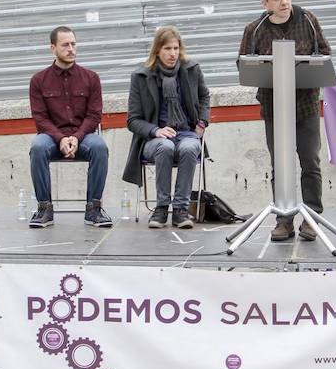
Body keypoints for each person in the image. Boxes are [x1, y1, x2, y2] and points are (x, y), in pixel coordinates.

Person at [238, 0, 330, 241]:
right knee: (280, 165)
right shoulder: (255, 29)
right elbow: (243, 63)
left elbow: (324, 53)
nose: (284, 2)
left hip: (305, 105)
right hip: (274, 108)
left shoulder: (308, 20)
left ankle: (313, 218)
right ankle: (284, 219)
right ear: (265, 3)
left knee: (310, 162)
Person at [123, 26, 209, 230]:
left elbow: (204, 96)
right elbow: (132, 120)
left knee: (189, 148)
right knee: (166, 147)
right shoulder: (141, 76)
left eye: (175, 48)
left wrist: (202, 122)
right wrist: (155, 131)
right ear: (157, 51)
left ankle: (180, 210)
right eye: (167, 49)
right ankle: (161, 208)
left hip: (187, 132)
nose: (172, 54)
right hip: (154, 138)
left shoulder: (191, 69)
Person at [28, 26, 112, 228]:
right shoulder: (38, 80)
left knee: (100, 147)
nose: (71, 49)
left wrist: (77, 137)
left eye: (73, 44)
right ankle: (44, 209)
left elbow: (94, 115)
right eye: (65, 45)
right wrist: (61, 138)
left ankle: (94, 209)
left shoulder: (91, 78)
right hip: (51, 138)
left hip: (83, 137)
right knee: (38, 147)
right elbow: (40, 118)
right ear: (53, 48)